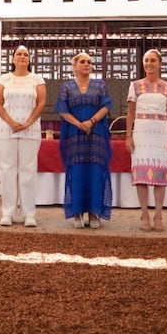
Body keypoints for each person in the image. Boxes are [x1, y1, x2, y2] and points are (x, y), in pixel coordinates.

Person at [56, 51, 113, 229]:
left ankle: (95, 212)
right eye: (82, 62)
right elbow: (62, 110)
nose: (87, 64)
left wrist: (91, 122)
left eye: (89, 62)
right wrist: (79, 124)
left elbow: (106, 106)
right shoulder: (67, 87)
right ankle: (78, 212)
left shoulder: (99, 85)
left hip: (96, 135)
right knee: (77, 172)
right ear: (74, 66)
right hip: (75, 135)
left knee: (95, 171)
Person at [0, 45, 46, 227]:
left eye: (26, 54)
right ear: (12, 58)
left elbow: (41, 103)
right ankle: (8, 213)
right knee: (7, 171)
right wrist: (11, 122)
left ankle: (28, 213)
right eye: (19, 54)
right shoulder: (4, 79)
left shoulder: (37, 79)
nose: (22, 57)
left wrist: (28, 122)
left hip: (30, 131)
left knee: (28, 171)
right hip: (6, 131)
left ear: (29, 59)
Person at [125, 49, 167, 232]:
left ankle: (158, 215)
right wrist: (128, 135)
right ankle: (145, 214)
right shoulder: (135, 86)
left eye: (153, 60)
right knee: (141, 177)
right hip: (141, 135)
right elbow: (130, 112)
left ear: (160, 63)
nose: (149, 64)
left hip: (161, 136)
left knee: (159, 177)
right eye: (146, 60)